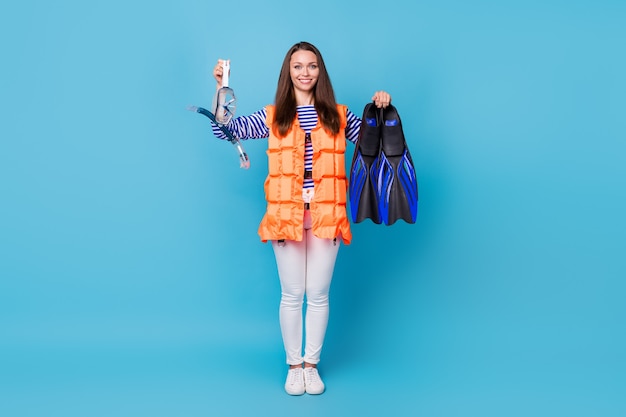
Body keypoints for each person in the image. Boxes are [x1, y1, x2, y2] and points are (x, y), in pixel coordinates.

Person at [211, 41, 391, 395]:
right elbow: (224, 130)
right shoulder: (272, 115)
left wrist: (381, 106)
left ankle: (312, 365)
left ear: (320, 71)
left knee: (319, 294)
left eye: (311, 66)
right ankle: (294, 367)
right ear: (288, 71)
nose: (305, 72)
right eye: (297, 66)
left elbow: (376, 139)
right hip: (286, 215)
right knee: (292, 294)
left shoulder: (339, 116)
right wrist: (221, 90)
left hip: (327, 213)